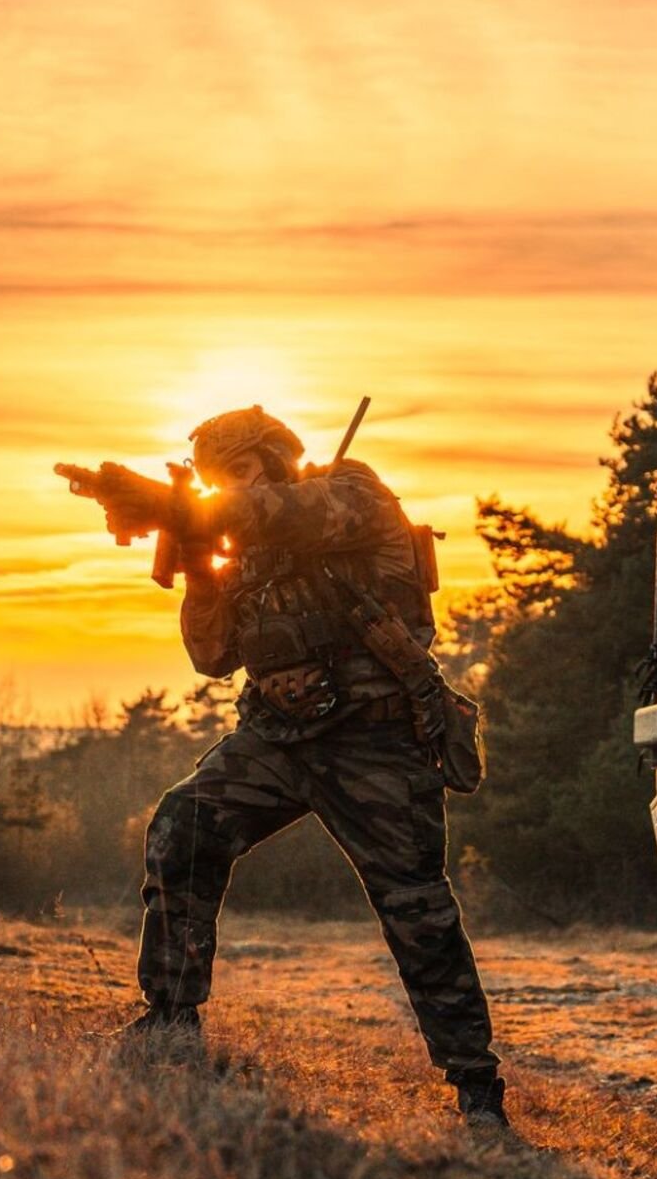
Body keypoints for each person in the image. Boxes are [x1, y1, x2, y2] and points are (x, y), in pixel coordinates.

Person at [73, 406, 505, 1127]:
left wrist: (181, 504)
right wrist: (192, 553)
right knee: (184, 826)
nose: (225, 489)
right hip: (275, 740)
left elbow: (286, 514)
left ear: (275, 461)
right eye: (213, 480)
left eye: (237, 473)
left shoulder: (349, 492)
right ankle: (171, 1020)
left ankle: (475, 1084)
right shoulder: (232, 537)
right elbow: (211, 658)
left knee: (416, 910)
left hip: (373, 740)